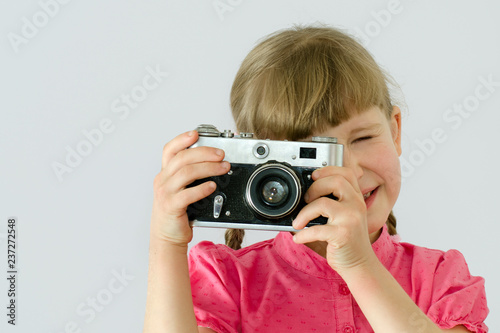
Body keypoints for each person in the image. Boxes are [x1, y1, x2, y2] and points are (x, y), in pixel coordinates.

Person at [143, 25, 488, 332]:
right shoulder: (228, 283)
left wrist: (359, 264)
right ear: (259, 170)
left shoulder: (440, 277)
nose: (348, 174)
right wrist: (166, 242)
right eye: (310, 156)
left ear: (395, 130)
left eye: (363, 138)